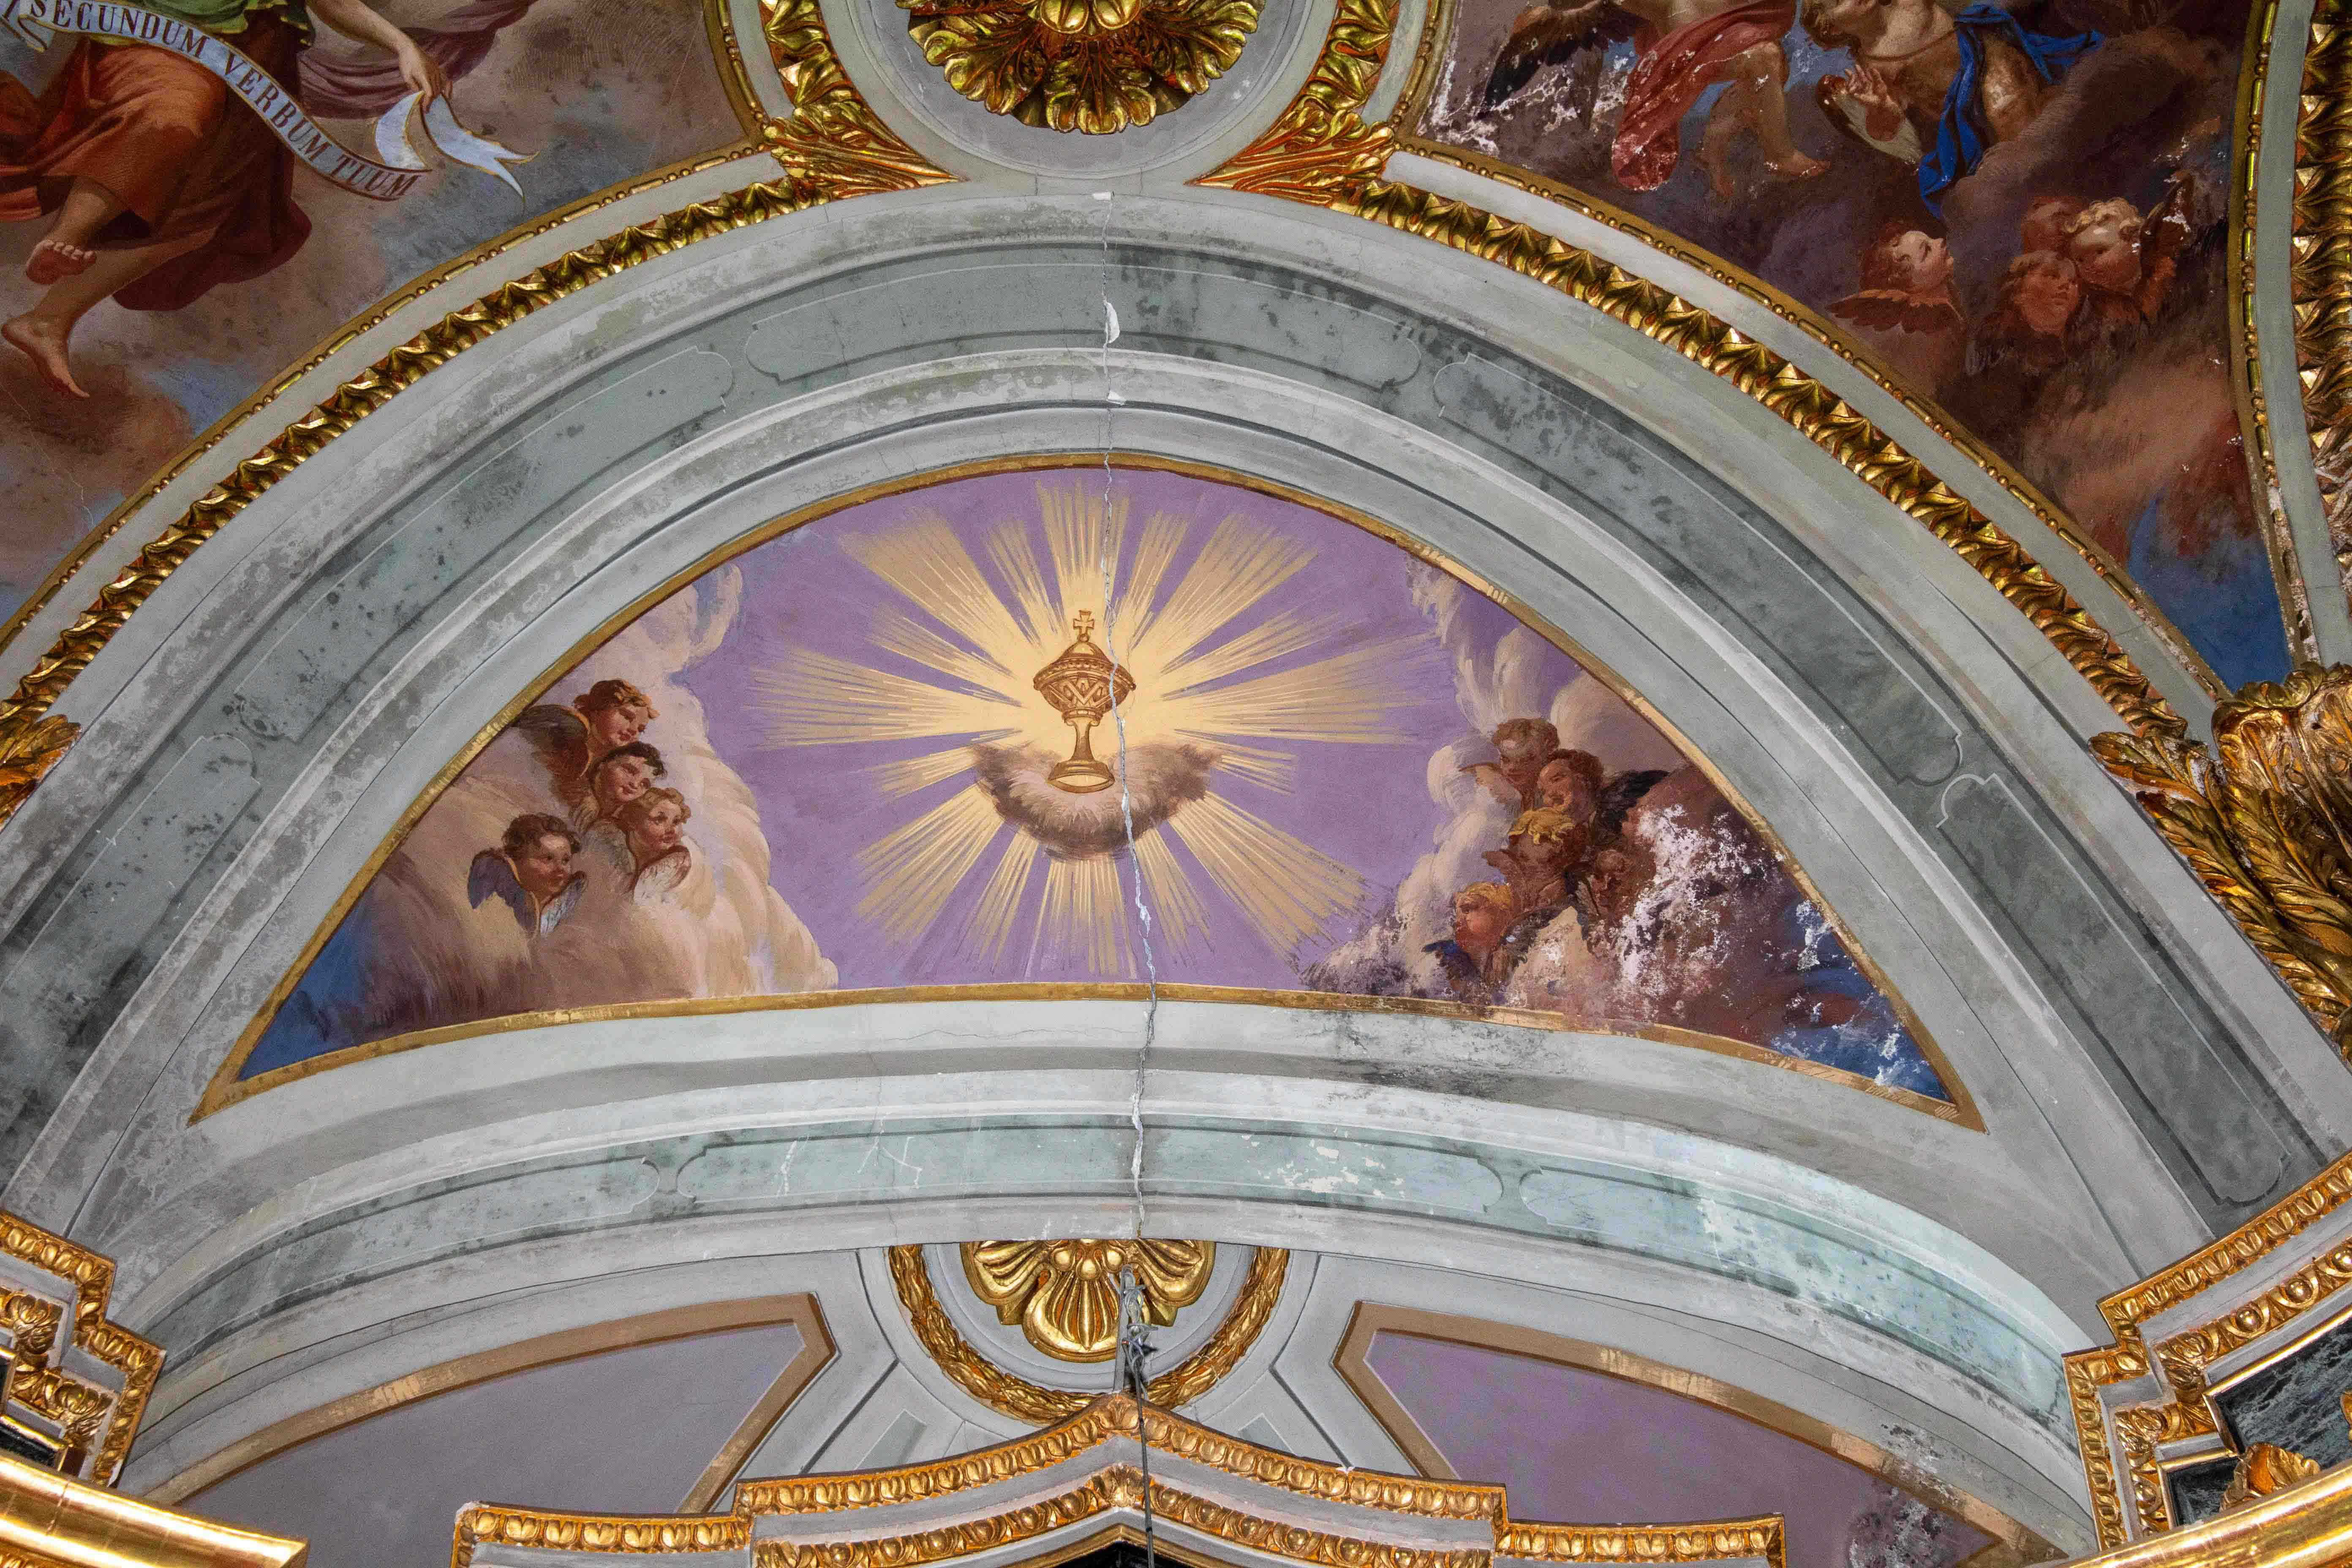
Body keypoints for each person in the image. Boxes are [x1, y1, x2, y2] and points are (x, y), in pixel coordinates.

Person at [0, 0, 449, 397]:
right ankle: (67, 235)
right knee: (171, 116)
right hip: (168, 35)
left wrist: (401, 46)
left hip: (253, 63)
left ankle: (48, 320)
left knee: (199, 221)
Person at [1483, 0, 1827, 198]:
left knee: (1770, 65)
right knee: (1764, 59)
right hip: (1687, 41)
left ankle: (1714, 149)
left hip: (1722, 22)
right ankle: (1779, 155)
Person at [1805, 0, 2099, 213]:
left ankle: (2065, 172)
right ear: (1832, 27)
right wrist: (1880, 106)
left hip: (1985, 54)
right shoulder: (1870, 66)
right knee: (2010, 150)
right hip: (1961, 111)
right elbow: (1889, 130)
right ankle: (2058, 194)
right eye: (1838, 1)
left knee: (2006, 103)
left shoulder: (1908, 4)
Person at [1829, 225, 1965, 393]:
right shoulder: (1931, 325)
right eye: (1927, 251)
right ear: (1911, 286)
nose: (1940, 241)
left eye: (1931, 239)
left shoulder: (1948, 296)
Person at [513, 679, 659, 807]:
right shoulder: (568, 725)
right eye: (627, 717)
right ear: (598, 710)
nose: (634, 730)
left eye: (641, 729)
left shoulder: (605, 761)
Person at [1971, 250, 2082, 380]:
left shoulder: (2082, 341)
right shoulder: (1996, 339)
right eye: (2052, 276)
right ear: (2018, 288)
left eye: (2073, 281)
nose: (2066, 284)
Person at [467, 813, 584, 936]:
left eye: (566, 861)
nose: (560, 869)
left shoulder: (567, 902)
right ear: (517, 860)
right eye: (548, 859)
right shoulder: (494, 886)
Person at [588, 784, 693, 901]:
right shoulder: (605, 844)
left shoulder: (677, 864)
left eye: (676, 822)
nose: (671, 830)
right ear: (634, 820)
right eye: (659, 820)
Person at [1424, 882, 1520, 1005]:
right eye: (1461, 912)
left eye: (1469, 910)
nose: (1459, 921)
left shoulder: (1516, 955)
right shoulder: (1447, 956)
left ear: (1498, 915)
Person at [1461, 717, 1560, 811]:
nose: (1512, 768)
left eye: (1523, 760)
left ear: (1544, 760)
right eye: (1506, 760)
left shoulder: (1554, 796)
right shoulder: (1490, 785)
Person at [575, 741, 664, 831]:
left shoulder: (622, 825)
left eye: (644, 784)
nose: (635, 784)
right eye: (630, 771)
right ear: (603, 764)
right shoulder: (575, 798)